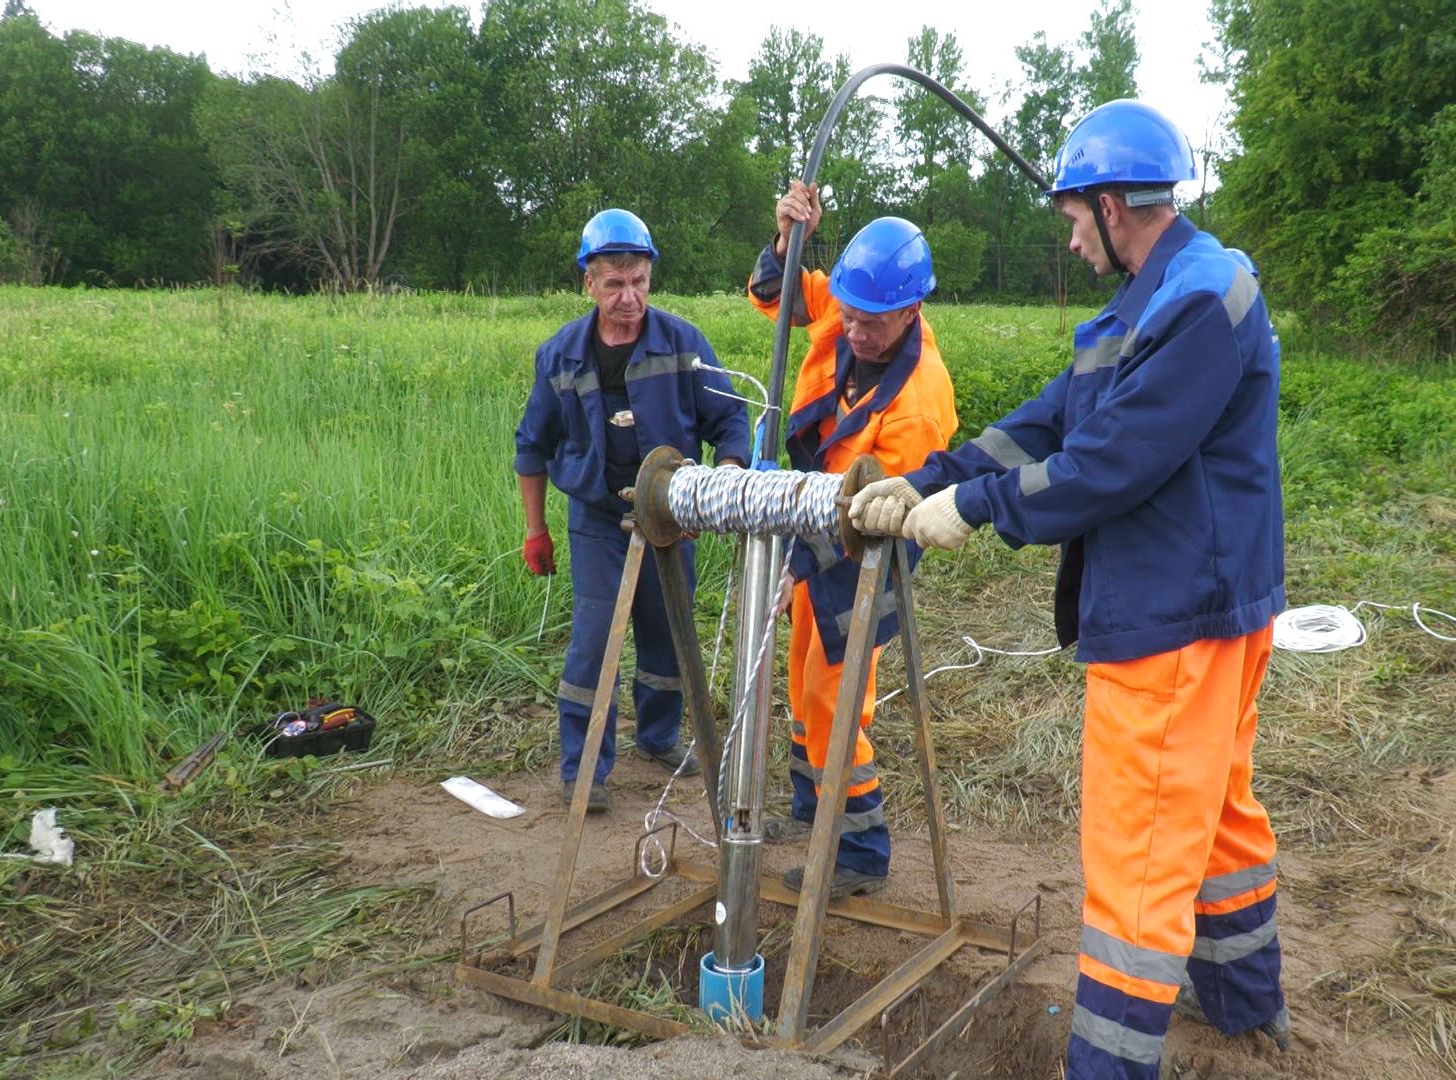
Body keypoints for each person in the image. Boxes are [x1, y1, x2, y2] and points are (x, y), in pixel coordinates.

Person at [849, 100, 1290, 1078]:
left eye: (1072, 213)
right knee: (1215, 819)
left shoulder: (1201, 298)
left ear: (1111, 203)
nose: (1069, 231)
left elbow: (1111, 462)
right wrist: (926, 479)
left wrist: (978, 510)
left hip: (1176, 620)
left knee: (1137, 863)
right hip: (1203, 608)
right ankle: (1247, 1015)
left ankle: (1108, 1067)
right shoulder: (1146, 301)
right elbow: (1049, 422)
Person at [748, 182, 958, 899]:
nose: (853, 332)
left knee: (837, 700)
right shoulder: (845, 314)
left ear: (911, 310)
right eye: (849, 316)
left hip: (864, 552)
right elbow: (779, 296)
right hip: (810, 527)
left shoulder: (920, 401)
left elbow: (873, 512)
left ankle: (860, 850)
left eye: (871, 324)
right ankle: (815, 814)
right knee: (803, 687)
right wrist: (786, 237)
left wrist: (797, 563)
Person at [514, 208, 750, 813]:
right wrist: (535, 531)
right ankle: (585, 769)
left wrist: (721, 479)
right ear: (588, 282)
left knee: (667, 630)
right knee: (595, 640)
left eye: (639, 280)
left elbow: (729, 420)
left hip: (673, 514)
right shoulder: (560, 356)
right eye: (614, 283)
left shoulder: (683, 343)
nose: (629, 296)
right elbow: (531, 447)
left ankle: (659, 736)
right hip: (597, 520)